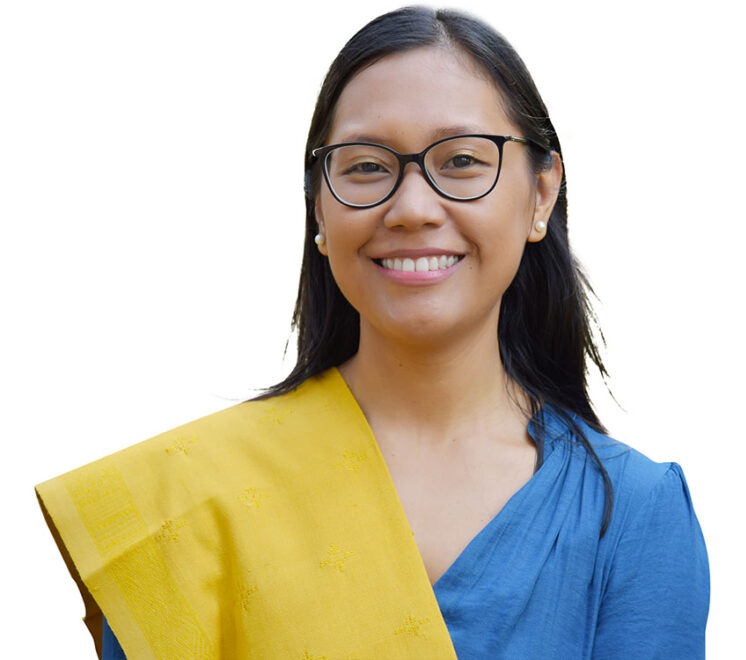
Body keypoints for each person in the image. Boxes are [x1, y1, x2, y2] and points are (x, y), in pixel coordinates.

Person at [36, 6, 709, 659]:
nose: (412, 208)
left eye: (462, 161)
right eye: (366, 166)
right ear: (319, 210)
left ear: (541, 194)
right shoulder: (183, 501)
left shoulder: (632, 514)